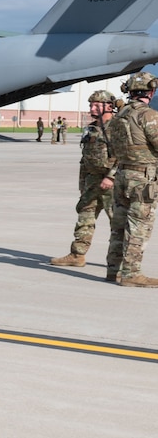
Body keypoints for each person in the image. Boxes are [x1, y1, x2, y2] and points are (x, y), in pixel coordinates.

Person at [50, 90, 118, 268]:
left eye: (96, 105)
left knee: (118, 223)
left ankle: (120, 261)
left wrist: (111, 177)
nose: (92, 108)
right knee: (84, 218)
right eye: (91, 105)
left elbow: (124, 156)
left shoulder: (118, 127)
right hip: (92, 181)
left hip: (112, 184)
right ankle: (77, 255)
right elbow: (85, 158)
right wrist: (82, 183)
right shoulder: (91, 127)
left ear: (109, 106)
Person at [103, 71, 158, 287]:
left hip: (122, 174)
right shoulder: (148, 116)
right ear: (150, 91)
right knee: (139, 225)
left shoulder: (118, 117)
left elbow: (113, 149)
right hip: (142, 178)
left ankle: (113, 269)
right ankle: (131, 273)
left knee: (119, 224)